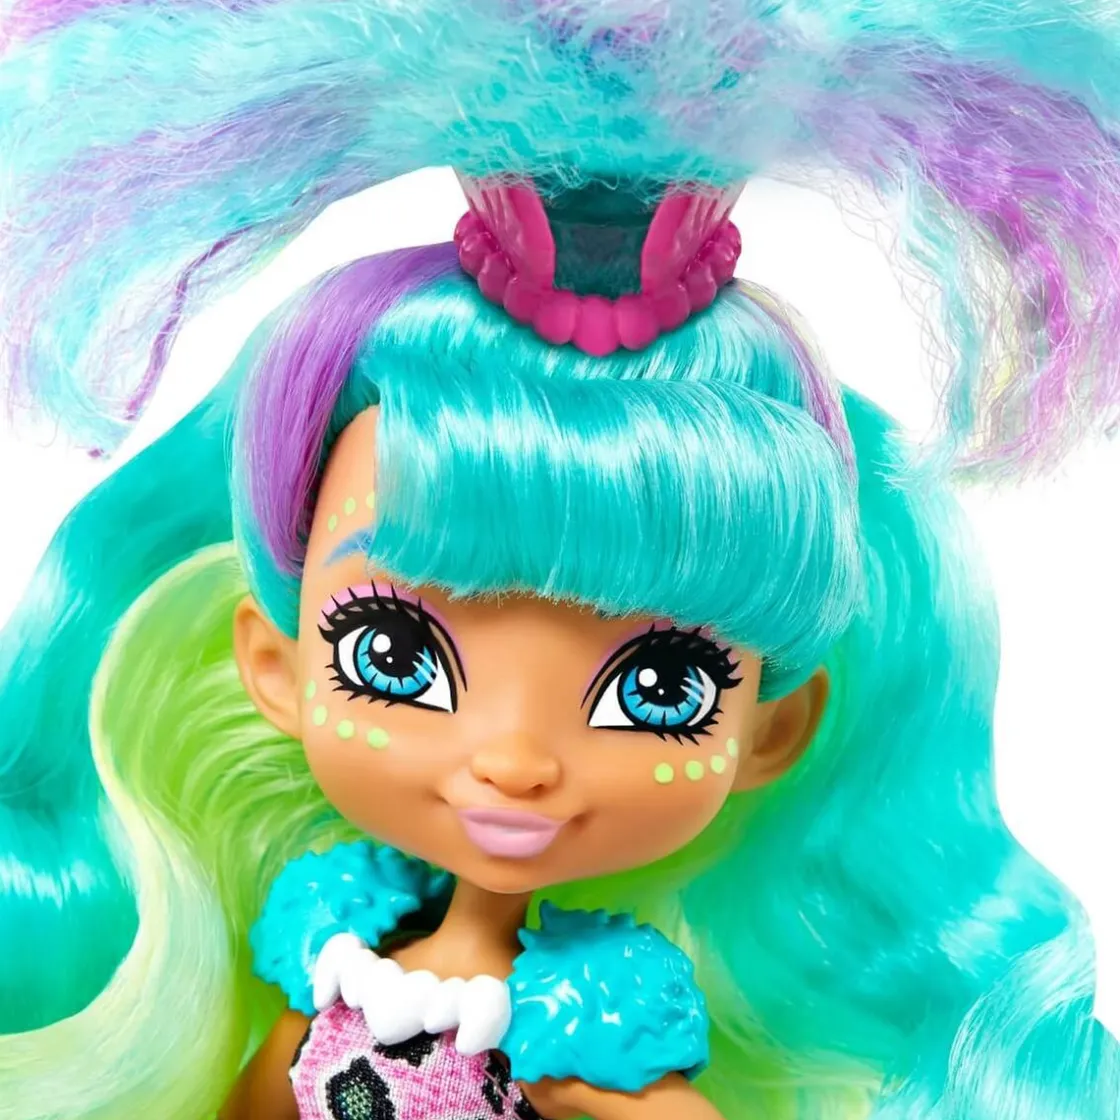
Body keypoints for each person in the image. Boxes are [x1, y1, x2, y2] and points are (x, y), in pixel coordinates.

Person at [0, 3, 1118, 1118]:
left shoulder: (584, 1026)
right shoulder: (333, 958)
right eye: (394, 654)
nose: (516, 759)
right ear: (276, 666)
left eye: (661, 686)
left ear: (772, 730)